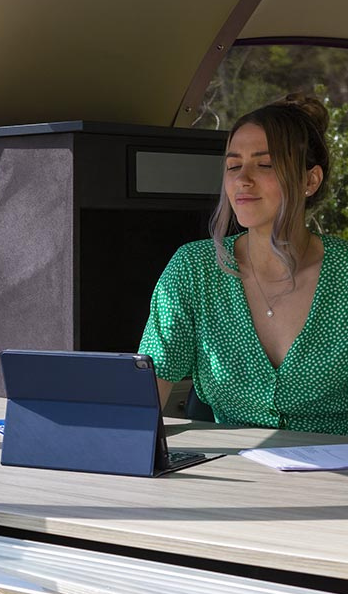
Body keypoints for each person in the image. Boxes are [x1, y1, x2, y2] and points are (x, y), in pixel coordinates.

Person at [139, 93, 348, 435]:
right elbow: (144, 400)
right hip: (231, 479)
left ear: (309, 180)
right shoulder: (194, 270)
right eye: (234, 165)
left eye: (264, 165)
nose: (242, 180)